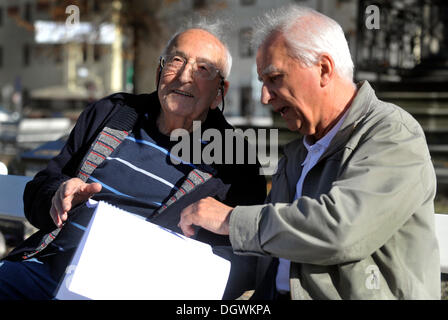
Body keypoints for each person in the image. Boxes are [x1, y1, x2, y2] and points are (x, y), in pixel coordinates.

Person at [178, 5, 441, 300]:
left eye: (274, 78)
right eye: (263, 83)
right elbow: (273, 260)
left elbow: (340, 230)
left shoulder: (393, 134)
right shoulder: (298, 153)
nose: (265, 97)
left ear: (324, 69)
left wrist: (231, 220)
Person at [0, 21, 266, 300]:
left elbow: (247, 260)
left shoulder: (236, 162)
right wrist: (57, 194)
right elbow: (39, 189)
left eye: (203, 69)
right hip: (48, 270)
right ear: (159, 72)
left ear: (219, 93)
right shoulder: (112, 113)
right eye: (177, 60)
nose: (184, 76)